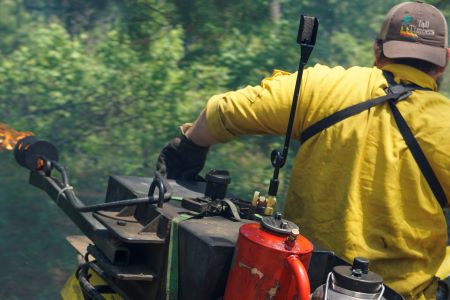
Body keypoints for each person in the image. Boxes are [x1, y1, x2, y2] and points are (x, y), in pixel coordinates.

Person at [156, 1, 450, 299]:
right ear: (444, 61)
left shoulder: (323, 87)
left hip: (302, 286)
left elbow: (224, 111)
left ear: (378, 50)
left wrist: (189, 146)